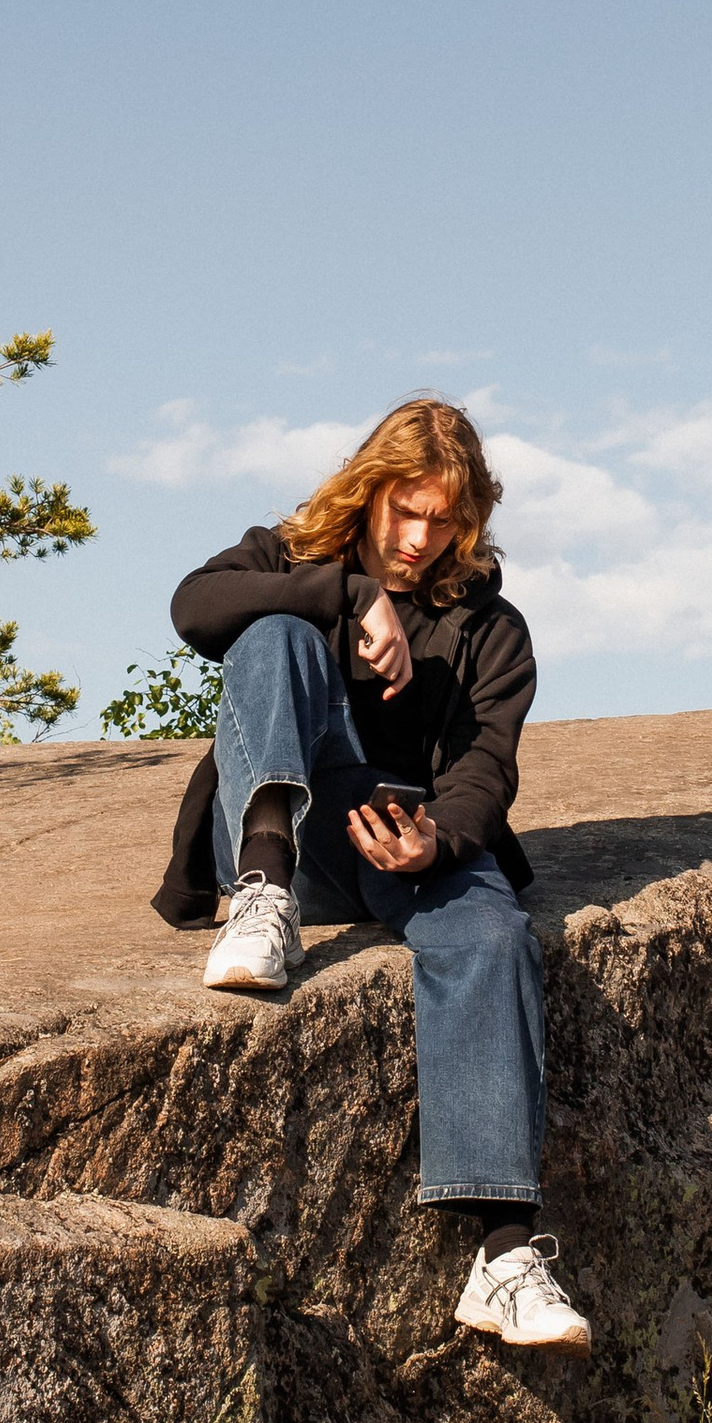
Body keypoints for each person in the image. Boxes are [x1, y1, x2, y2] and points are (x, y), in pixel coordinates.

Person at [150, 397, 590, 1352]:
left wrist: (439, 840)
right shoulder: (289, 553)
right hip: (288, 842)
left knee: (491, 931)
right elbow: (192, 608)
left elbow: (486, 766)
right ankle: (260, 900)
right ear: (370, 491)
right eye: (406, 511)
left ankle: (505, 1258)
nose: (421, 540)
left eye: (443, 521)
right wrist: (343, 596)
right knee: (271, 635)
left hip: (404, 840)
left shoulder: (490, 629)